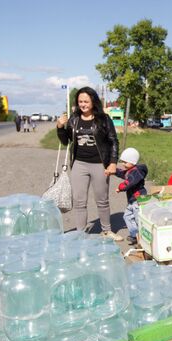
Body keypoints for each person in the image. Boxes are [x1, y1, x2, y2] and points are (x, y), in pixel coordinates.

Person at [56, 86, 123, 240]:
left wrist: (113, 162)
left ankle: (107, 231)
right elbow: (65, 141)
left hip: (100, 164)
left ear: (93, 101)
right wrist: (60, 126)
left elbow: (113, 141)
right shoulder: (74, 119)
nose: (83, 104)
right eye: (80, 101)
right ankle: (80, 233)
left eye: (86, 101)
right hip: (79, 164)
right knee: (79, 201)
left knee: (102, 200)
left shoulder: (104, 119)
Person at [114, 147, 147, 244]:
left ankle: (143, 237)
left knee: (138, 219)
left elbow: (130, 182)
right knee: (127, 216)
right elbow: (123, 174)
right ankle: (134, 235)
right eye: (122, 162)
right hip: (132, 200)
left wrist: (120, 188)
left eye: (125, 162)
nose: (123, 164)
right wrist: (114, 171)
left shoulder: (136, 172)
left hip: (138, 200)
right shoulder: (130, 170)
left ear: (132, 161)